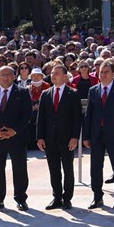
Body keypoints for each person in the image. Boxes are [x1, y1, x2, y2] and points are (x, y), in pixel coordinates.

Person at [83, 59, 114, 210]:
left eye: (106, 72)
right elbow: (89, 115)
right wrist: (86, 136)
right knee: (95, 167)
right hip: (96, 135)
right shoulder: (93, 90)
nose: (103, 75)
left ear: (113, 73)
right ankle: (97, 196)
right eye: (100, 72)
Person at [0, 66, 33, 212]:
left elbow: (26, 114)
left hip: (16, 137)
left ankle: (21, 199)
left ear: (14, 76)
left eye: (8, 75)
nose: (5, 78)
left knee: (20, 169)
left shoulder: (22, 93)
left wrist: (14, 130)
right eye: (2, 75)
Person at [36, 62, 82, 210]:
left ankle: (67, 198)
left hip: (67, 138)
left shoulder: (73, 93)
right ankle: (56, 197)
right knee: (53, 169)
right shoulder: (46, 93)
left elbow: (77, 118)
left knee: (68, 169)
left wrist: (75, 137)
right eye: (52, 72)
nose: (52, 75)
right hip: (50, 139)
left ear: (64, 76)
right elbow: (41, 117)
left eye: (56, 72)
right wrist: (40, 137)